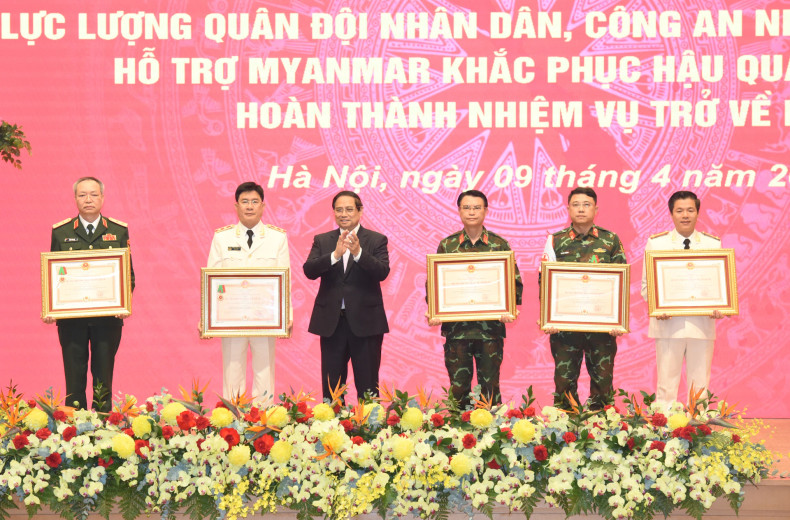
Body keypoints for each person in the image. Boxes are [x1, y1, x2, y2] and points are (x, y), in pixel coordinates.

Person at [45, 177, 133, 412]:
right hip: (71, 320)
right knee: (74, 380)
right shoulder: (61, 232)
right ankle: (73, 430)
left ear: (102, 198)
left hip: (107, 319)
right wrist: (51, 306)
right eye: (82, 195)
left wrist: (124, 303)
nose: (88, 199)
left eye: (94, 194)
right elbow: (53, 274)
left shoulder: (118, 231)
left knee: (103, 378)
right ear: (75, 199)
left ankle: (104, 425)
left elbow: (128, 275)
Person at [428, 190, 523, 408]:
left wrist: (509, 308)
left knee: (490, 389)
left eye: (477, 207)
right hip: (457, 331)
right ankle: (458, 429)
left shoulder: (499, 245)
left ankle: (493, 430)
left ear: (486, 211)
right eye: (467, 207)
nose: (472, 212)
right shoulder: (447, 245)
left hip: (489, 331)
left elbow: (514, 282)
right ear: (459, 211)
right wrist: (434, 309)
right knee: (458, 388)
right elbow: (434, 284)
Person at [541, 187, 626, 411]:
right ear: (568, 209)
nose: (581, 209)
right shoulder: (555, 241)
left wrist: (618, 320)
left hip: (602, 326)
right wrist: (549, 318)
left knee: (603, 382)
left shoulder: (610, 240)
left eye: (586, 204)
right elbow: (545, 281)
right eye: (576, 204)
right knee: (564, 382)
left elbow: (621, 281)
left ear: (596, 209)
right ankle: (563, 427)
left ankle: (602, 426)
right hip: (565, 327)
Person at [206, 182, 291, 402]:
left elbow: (285, 280)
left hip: (266, 316)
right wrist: (208, 317)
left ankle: (264, 417)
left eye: (254, 202)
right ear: (236, 206)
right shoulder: (222, 237)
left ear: (263, 206)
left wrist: (286, 315)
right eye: (245, 202)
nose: (250, 206)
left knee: (265, 370)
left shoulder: (277, 238)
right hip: (231, 317)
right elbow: (212, 280)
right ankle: (232, 418)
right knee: (232, 369)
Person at [303, 191, 390, 402]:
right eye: (339, 210)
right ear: (333, 212)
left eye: (349, 209)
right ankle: (332, 421)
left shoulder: (376, 239)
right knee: (332, 387)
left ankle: (369, 421)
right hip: (332, 323)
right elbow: (309, 271)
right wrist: (335, 255)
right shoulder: (323, 240)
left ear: (360, 211)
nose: (344, 214)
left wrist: (359, 253)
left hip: (366, 323)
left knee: (368, 385)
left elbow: (382, 272)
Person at [640, 190, 725, 407]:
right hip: (668, 323)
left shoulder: (712, 244)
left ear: (697, 213)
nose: (685, 215)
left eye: (690, 210)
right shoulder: (656, 244)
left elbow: (719, 285)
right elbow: (646, 286)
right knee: (666, 384)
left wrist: (720, 305)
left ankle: (698, 425)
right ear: (671, 214)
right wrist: (658, 306)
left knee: (700, 385)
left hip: (702, 323)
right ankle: (663, 425)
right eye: (679, 211)